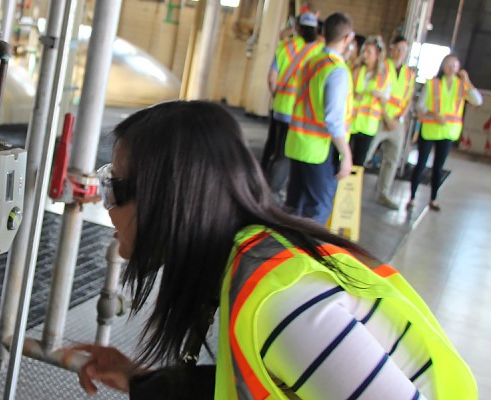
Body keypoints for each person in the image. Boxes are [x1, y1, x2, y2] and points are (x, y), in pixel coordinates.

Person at [68, 100, 476, 399]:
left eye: (114, 187)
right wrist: (143, 381)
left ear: (171, 199)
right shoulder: (249, 266)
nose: (106, 205)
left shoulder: (280, 304)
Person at [283, 13, 354, 225]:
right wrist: (347, 155)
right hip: (319, 152)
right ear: (348, 38)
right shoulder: (337, 70)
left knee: (293, 210)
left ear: (323, 34)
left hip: (298, 145)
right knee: (315, 215)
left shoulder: (311, 62)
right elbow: (333, 119)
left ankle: (284, 255)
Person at [409, 54, 482, 210]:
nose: (451, 68)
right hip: (429, 130)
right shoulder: (433, 84)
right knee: (421, 164)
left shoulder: (462, 86)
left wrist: (467, 81)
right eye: (449, 65)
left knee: (438, 168)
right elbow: (420, 106)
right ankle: (412, 197)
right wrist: (433, 114)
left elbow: (477, 100)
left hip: (448, 132)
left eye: (455, 66)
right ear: (443, 66)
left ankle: (434, 198)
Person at [262, 12, 323, 201]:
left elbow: (272, 78)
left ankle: (261, 182)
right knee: (284, 154)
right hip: (299, 112)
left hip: (280, 106)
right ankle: (271, 192)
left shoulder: (285, 46)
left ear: (297, 27)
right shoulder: (318, 51)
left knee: (272, 147)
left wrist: (276, 94)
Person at [365, 35, 415, 210]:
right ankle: (349, 187)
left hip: (396, 122)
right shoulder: (383, 66)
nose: (401, 53)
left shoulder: (409, 74)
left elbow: (407, 100)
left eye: (404, 50)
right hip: (379, 118)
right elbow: (378, 93)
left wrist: (398, 119)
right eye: (398, 49)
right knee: (365, 155)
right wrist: (386, 118)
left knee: (392, 160)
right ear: (392, 48)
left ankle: (383, 194)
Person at [350, 35, 392, 167]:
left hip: (368, 126)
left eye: (369, 52)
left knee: (358, 163)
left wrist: (380, 96)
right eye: (363, 51)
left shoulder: (384, 76)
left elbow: (386, 99)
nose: (364, 55)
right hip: (350, 123)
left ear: (378, 54)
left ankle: (353, 187)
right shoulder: (355, 70)